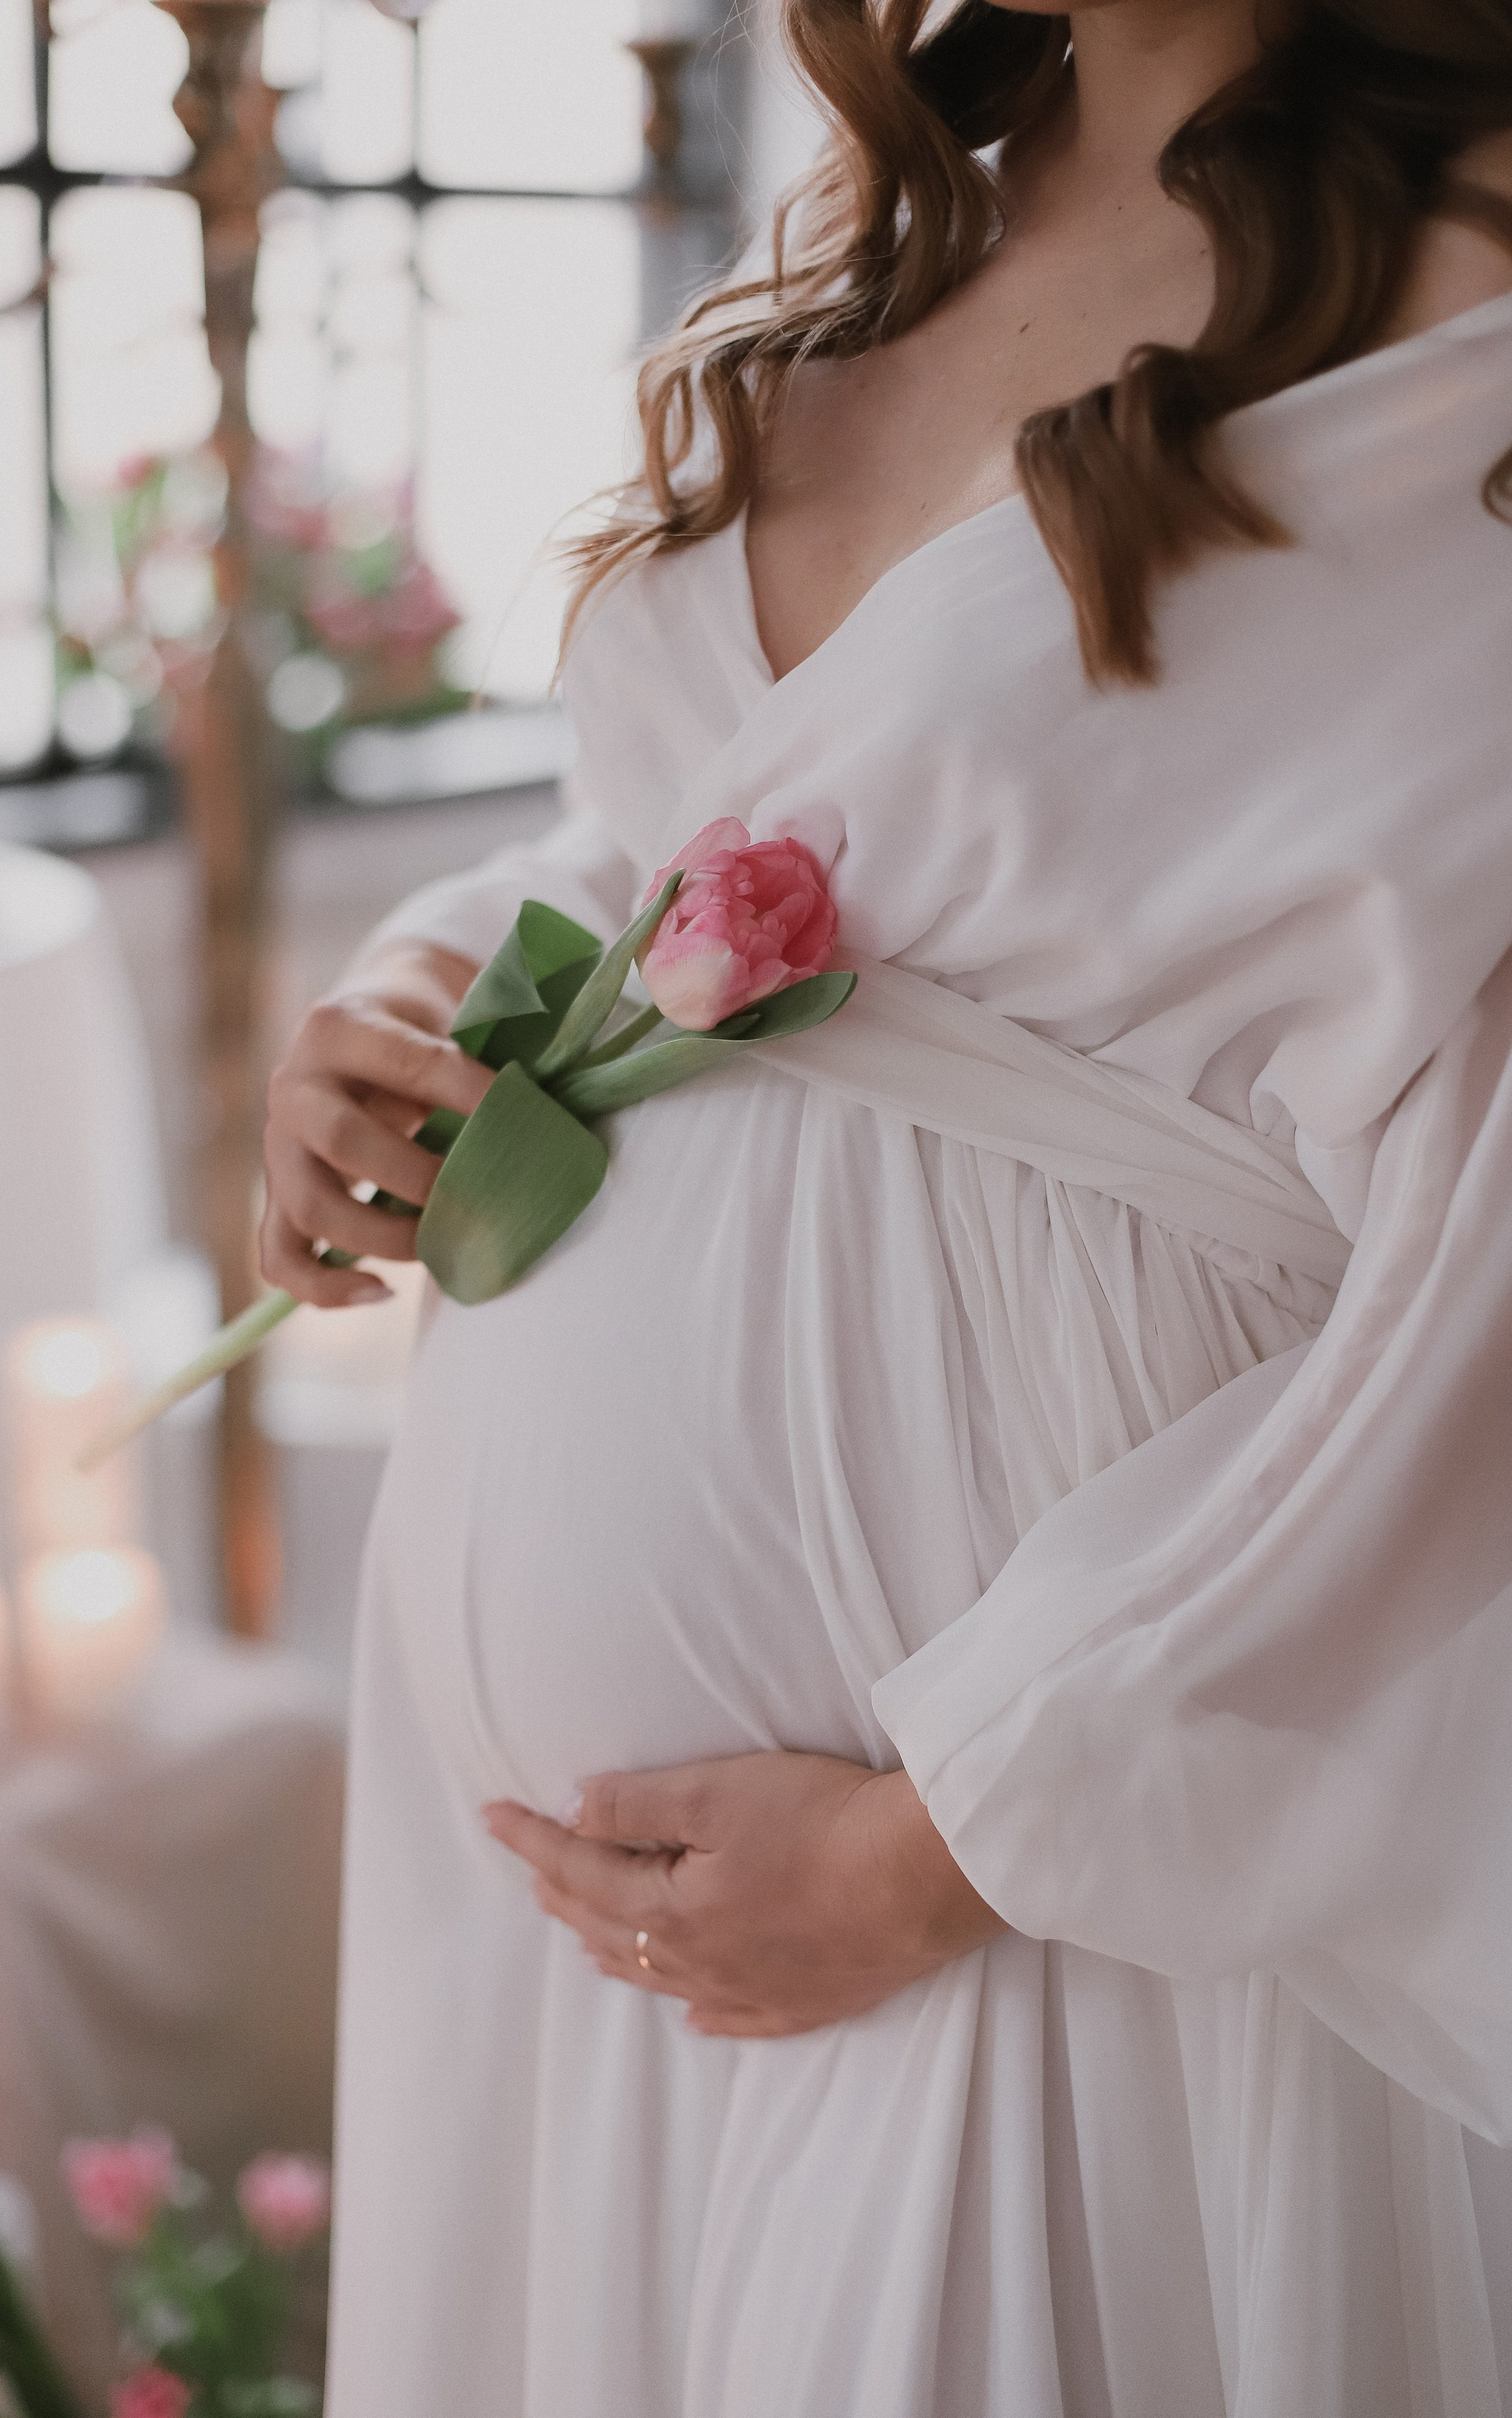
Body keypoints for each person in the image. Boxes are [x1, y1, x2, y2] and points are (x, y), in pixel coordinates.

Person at [263, 3, 1512, 2410]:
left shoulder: (1478, 286)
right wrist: (425, 984)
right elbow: (752, 814)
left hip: (1069, 1880)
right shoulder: (905, 194)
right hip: (586, 1934)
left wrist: (971, 1831)